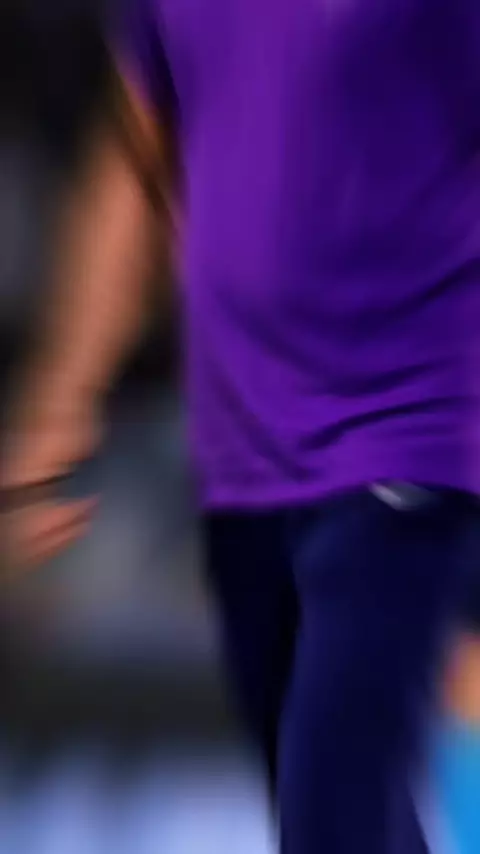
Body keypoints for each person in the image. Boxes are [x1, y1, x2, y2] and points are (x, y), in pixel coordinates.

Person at [2, 1, 480, 852]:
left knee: (335, 800)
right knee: (330, 794)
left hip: (410, 428)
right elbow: (137, 155)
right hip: (245, 458)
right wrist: (60, 399)